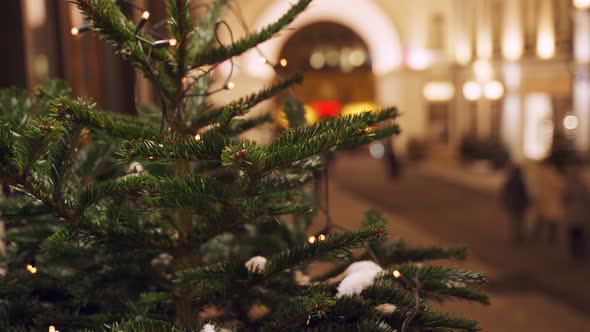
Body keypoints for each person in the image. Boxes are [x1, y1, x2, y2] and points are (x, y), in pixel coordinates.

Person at [523, 159, 564, 245]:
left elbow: (535, 186)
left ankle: (537, 235)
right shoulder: (553, 175)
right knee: (551, 221)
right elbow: (560, 187)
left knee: (542, 219)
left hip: (544, 201)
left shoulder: (539, 174)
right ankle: (550, 237)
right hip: (550, 201)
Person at [562, 162, 589, 259]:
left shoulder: (570, 184)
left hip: (575, 214)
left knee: (576, 234)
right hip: (576, 214)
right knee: (577, 234)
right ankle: (578, 253)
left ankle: (577, 253)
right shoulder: (580, 184)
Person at [501, 162, 529, 243]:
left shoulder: (510, 180)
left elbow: (505, 192)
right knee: (519, 221)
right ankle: (519, 236)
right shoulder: (521, 181)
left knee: (512, 221)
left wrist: (505, 202)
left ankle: (513, 236)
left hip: (512, 204)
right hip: (520, 204)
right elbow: (524, 194)